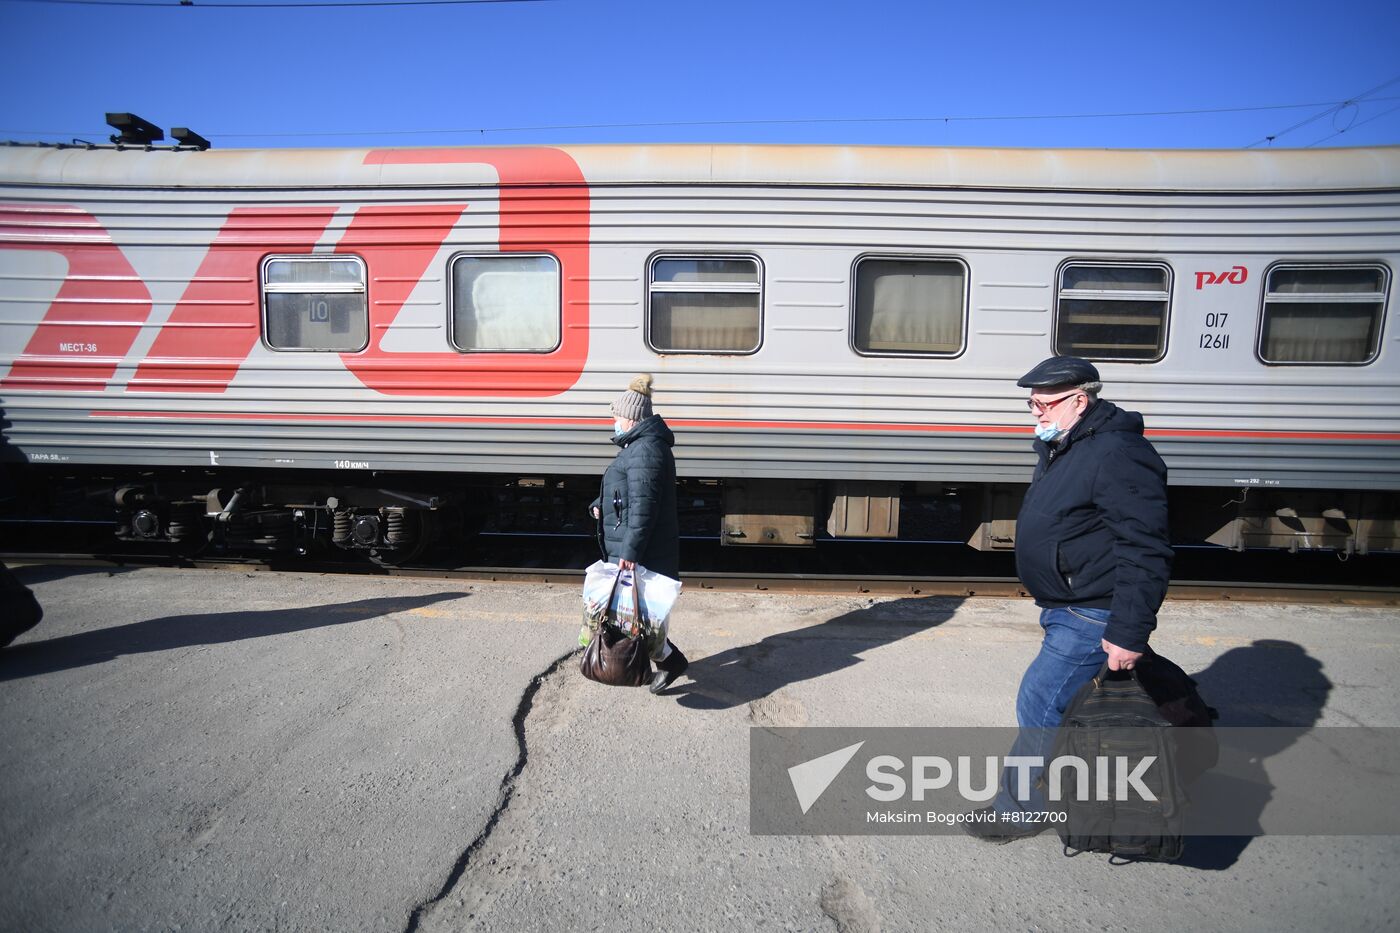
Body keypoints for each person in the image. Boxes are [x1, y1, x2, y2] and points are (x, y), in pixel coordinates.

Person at [965, 355, 1173, 843]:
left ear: (1080, 401)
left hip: (1091, 611)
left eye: (1044, 404)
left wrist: (1127, 632)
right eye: (1031, 404)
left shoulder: (1117, 454)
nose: (1036, 413)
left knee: (1041, 703)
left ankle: (1019, 809)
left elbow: (1145, 548)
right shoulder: (1069, 444)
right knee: (1062, 703)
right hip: (1070, 606)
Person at [589, 374, 689, 694]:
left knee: (642, 620)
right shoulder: (639, 447)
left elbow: (644, 509)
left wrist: (630, 554)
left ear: (630, 418)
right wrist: (601, 504)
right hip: (639, 549)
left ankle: (670, 661)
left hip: (645, 554)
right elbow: (628, 495)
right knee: (635, 617)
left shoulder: (646, 451)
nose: (614, 422)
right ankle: (660, 661)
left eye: (616, 416)